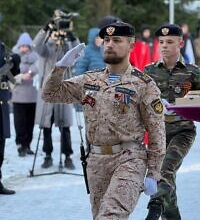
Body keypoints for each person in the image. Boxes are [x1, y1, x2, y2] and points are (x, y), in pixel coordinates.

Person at [41, 21, 166, 220]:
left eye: (117, 40)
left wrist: (153, 173)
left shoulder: (144, 85)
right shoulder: (89, 80)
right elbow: (49, 94)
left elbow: (157, 130)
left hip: (130, 158)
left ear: (131, 45)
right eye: (107, 40)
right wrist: (60, 67)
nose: (109, 44)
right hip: (96, 161)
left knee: (111, 216)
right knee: (99, 215)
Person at [144, 23, 200, 220]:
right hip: (158, 133)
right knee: (168, 178)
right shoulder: (149, 71)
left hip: (183, 131)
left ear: (180, 43)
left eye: (169, 42)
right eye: (161, 42)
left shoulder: (192, 71)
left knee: (165, 168)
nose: (164, 46)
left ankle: (154, 207)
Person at [32, 18, 79, 169]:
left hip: (64, 89)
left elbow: (79, 53)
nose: (59, 33)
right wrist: (45, 29)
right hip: (47, 89)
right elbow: (36, 45)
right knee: (46, 125)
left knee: (65, 125)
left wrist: (72, 36)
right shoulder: (46, 48)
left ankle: (68, 156)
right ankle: (47, 155)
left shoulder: (67, 47)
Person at [12, 32, 39, 157]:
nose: (23, 48)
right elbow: (11, 75)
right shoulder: (14, 57)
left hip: (32, 96)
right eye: (21, 46)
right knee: (19, 122)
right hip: (18, 95)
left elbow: (38, 68)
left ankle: (27, 144)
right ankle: (20, 144)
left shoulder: (36, 57)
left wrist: (30, 72)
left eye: (26, 46)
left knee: (30, 122)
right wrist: (23, 76)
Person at [0, 41, 20, 194]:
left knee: (1, 143)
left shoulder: (1, 46)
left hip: (2, 100)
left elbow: (11, 78)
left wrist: (15, 64)